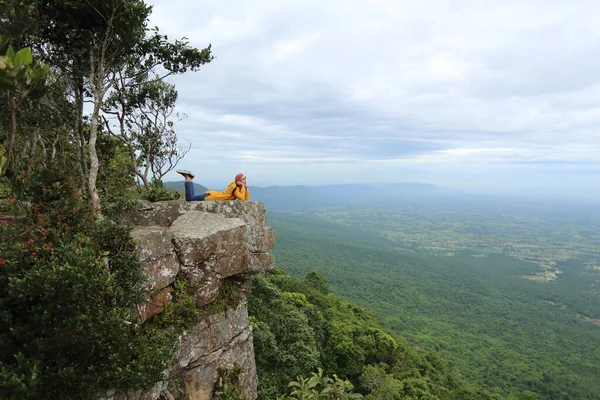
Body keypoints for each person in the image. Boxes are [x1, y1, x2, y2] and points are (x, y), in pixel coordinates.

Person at [177, 170, 250, 201]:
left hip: (213, 195)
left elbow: (246, 200)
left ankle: (190, 179)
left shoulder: (239, 188)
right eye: (243, 179)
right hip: (211, 197)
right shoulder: (234, 187)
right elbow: (242, 199)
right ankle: (188, 179)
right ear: (238, 181)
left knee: (192, 197)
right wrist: (244, 187)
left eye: (245, 179)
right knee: (190, 198)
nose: (245, 180)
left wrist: (246, 189)